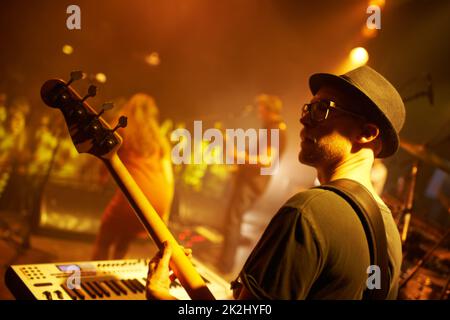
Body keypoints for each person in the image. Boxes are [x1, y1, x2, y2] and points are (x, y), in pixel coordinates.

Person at [146, 65, 405, 300]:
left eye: (322, 109)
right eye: (308, 108)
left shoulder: (308, 211)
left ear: (367, 133)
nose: (304, 119)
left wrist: (160, 295)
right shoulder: (389, 232)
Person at [92, 93, 174, 260]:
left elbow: (104, 150)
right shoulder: (158, 137)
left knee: (104, 237)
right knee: (125, 236)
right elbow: (169, 177)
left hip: (136, 195)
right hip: (160, 199)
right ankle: (114, 276)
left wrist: (101, 176)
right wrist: (165, 213)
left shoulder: (122, 127)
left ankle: (94, 281)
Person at [218, 94, 287, 274]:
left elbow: (265, 160)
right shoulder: (271, 129)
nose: (258, 112)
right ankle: (225, 262)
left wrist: (238, 155)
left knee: (233, 221)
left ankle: (225, 265)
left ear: (268, 109)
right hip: (250, 181)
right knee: (233, 219)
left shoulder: (276, 130)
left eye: (261, 108)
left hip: (252, 184)